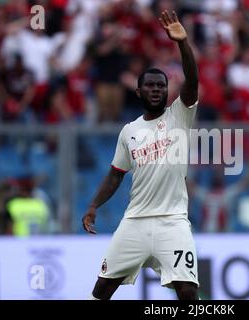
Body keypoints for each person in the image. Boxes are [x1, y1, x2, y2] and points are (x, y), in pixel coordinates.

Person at [82, 10, 199, 300]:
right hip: (135, 221)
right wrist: (94, 205)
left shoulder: (179, 116)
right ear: (138, 92)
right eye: (150, 85)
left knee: (188, 290)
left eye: (161, 85)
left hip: (173, 220)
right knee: (102, 289)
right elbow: (115, 174)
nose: (157, 89)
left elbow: (192, 79)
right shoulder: (129, 131)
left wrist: (182, 44)